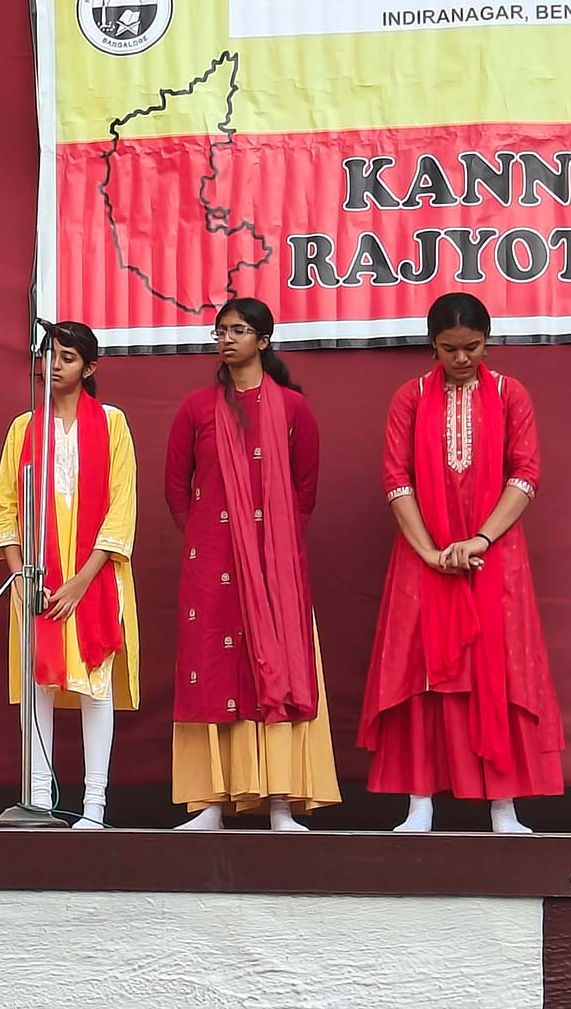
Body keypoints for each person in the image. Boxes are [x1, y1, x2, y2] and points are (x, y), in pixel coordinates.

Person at [357, 292, 564, 833]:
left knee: (499, 669)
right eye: (449, 348)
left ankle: (504, 806)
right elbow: (395, 477)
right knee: (422, 674)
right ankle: (419, 803)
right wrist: (429, 551)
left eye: (472, 346)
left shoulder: (510, 394)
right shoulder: (409, 397)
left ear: (487, 341)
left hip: (494, 554)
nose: (462, 358)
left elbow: (526, 474)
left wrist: (480, 540)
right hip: (422, 555)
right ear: (432, 345)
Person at [164, 297, 339, 830]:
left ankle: (281, 804)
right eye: (220, 331)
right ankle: (210, 804)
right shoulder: (196, 408)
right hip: (211, 561)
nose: (226, 339)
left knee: (276, 665)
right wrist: (213, 537)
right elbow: (176, 489)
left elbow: (304, 491)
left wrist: (269, 542)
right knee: (214, 669)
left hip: (275, 564)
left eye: (238, 330)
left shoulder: (293, 409)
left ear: (263, 340)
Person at [0, 321, 140, 829]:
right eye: (49, 354)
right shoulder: (23, 428)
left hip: (94, 581)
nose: (54, 365)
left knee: (96, 686)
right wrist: (22, 579)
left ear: (90, 367)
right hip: (37, 581)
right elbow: (5, 512)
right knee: (40, 683)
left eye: (67, 357)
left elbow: (121, 512)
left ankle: (94, 807)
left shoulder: (113, 424)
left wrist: (81, 582)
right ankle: (38, 802)